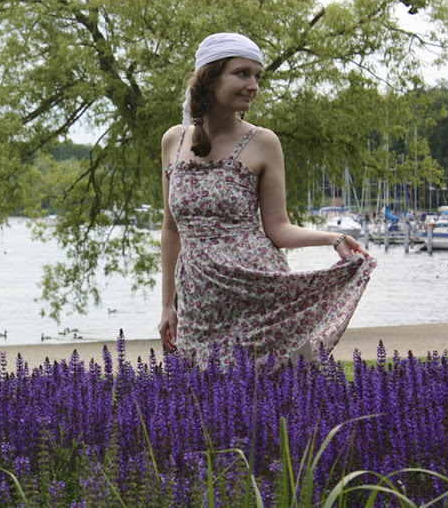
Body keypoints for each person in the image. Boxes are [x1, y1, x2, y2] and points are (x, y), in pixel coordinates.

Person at [159, 32, 376, 368]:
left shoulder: (263, 142)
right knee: (202, 398)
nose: (253, 86)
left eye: (256, 76)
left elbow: (278, 228)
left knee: (278, 390)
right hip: (199, 299)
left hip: (258, 289)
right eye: (242, 73)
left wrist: (333, 238)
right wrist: (167, 304)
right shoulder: (173, 140)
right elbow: (172, 230)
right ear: (210, 77)